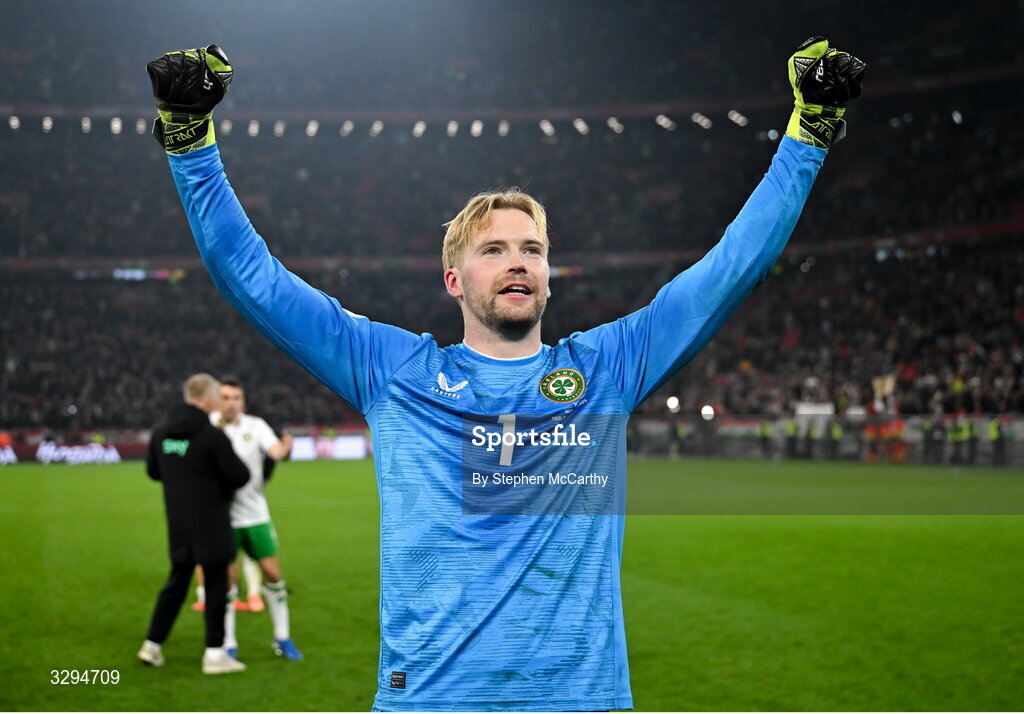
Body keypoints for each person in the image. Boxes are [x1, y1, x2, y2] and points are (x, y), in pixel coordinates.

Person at [146, 37, 864, 710]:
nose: (517, 260)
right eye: (493, 250)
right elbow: (252, 277)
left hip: (580, 699)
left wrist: (810, 130)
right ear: (455, 280)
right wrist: (190, 138)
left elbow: (729, 268)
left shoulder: (609, 369)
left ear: (549, 274)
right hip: (431, 697)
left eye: (532, 248)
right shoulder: (392, 370)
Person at [137, 373, 250, 675]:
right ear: (208, 399)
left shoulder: (161, 433)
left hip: (179, 524)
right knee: (216, 586)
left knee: (175, 584)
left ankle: (152, 645)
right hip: (212, 523)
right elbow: (240, 475)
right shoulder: (211, 435)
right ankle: (215, 654)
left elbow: (153, 472)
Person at [209, 376, 300, 661]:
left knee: (273, 575)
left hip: (256, 514)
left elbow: (275, 452)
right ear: (216, 400)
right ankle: (228, 643)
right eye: (225, 397)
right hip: (222, 517)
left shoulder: (256, 426)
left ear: (243, 402)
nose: (231, 403)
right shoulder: (208, 425)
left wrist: (285, 449)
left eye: (236, 398)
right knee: (228, 583)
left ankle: (282, 638)